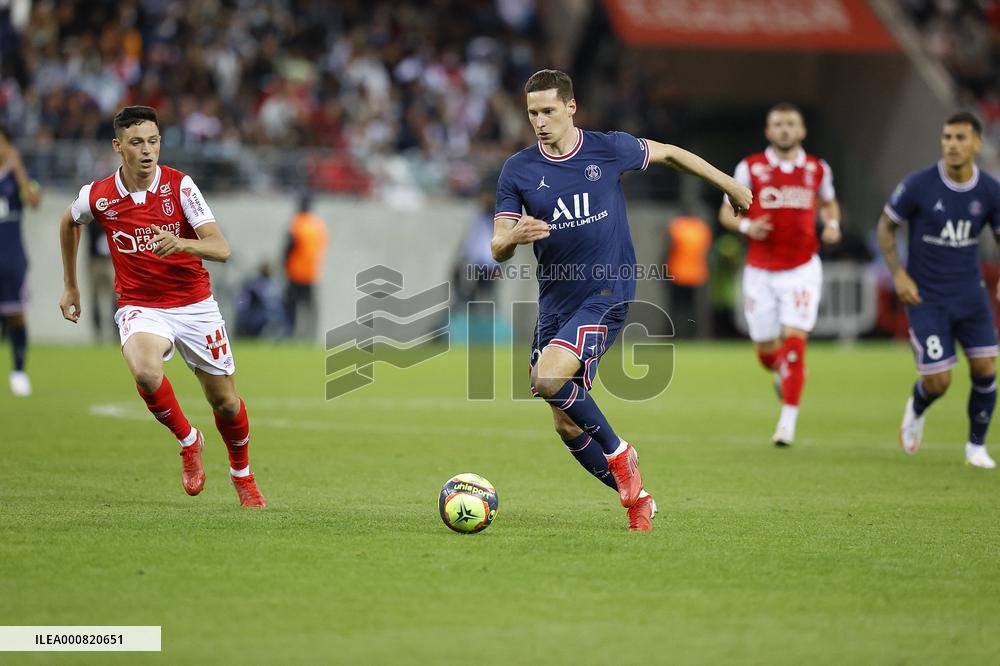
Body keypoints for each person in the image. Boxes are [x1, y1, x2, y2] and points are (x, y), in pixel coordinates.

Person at [492, 69, 752, 532]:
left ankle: (619, 452)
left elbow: (669, 153)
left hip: (606, 291)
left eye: (549, 110)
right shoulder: (519, 170)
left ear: (572, 107)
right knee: (565, 424)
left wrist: (729, 184)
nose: (540, 121)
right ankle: (639, 502)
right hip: (555, 301)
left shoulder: (607, 148)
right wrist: (513, 237)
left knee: (547, 377)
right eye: (532, 112)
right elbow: (496, 247)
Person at [58, 106, 266, 506]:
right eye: (137, 142)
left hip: (194, 304)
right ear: (118, 146)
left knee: (225, 402)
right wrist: (71, 286)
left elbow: (221, 248)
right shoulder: (98, 196)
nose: (148, 150)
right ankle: (189, 441)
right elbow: (68, 222)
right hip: (141, 305)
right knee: (145, 371)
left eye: (153, 141)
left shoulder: (180, 187)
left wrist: (184, 243)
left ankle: (242, 471)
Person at [878, 111, 1000, 469]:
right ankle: (917, 407)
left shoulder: (990, 190)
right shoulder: (919, 185)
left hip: (970, 295)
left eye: (961, 138)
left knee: (985, 368)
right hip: (926, 297)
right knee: (939, 382)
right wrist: (899, 275)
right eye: (947, 137)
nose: (952, 145)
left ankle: (976, 447)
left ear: (977, 143)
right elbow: (886, 228)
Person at [718, 103, 842, 447]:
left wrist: (831, 224)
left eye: (791, 124)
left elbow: (829, 202)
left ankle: (787, 421)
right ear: (768, 131)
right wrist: (747, 224)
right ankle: (781, 372)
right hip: (760, 270)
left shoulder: (817, 169)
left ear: (802, 131)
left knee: (794, 343)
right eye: (778, 124)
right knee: (765, 352)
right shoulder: (751, 167)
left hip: (802, 268)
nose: (785, 129)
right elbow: (726, 213)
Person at [0, 126, 42, 397]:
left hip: (11, 255)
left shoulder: (17, 177)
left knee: (16, 315)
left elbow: (34, 200)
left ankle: (18, 371)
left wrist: (18, 170)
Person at [283, 193, 328, 340]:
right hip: (311, 272)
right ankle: (310, 336)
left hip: (295, 271)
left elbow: (289, 246)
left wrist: (283, 264)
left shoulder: (297, 223)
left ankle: (291, 334)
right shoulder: (318, 225)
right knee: (309, 307)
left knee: (291, 305)